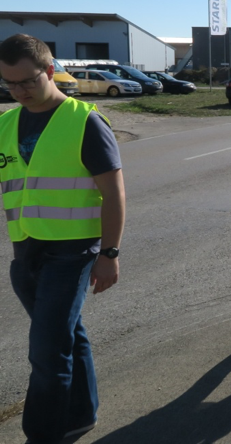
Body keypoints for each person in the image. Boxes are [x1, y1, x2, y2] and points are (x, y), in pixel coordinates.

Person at [0, 34, 126, 443]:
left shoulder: (84, 120)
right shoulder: (4, 124)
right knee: (67, 334)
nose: (18, 91)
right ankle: (81, 413)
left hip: (73, 252)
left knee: (47, 352)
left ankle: (43, 434)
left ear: (50, 71)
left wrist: (109, 254)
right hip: (26, 251)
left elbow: (114, 194)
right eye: (9, 84)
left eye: (26, 82)